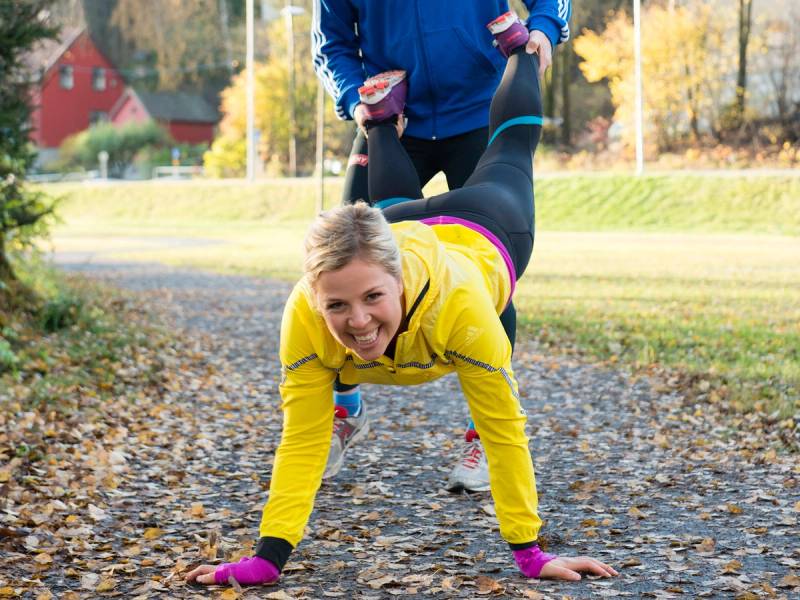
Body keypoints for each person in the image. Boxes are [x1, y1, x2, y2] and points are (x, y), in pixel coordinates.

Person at [187, 13, 618, 588]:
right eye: (336, 306)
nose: (358, 322)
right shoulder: (304, 316)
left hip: (486, 224)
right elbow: (302, 439)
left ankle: (516, 49)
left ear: (398, 281)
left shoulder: (462, 310)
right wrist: (268, 558)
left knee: (512, 146)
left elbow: (503, 428)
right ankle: (381, 122)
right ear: (313, 296)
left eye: (372, 298)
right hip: (398, 225)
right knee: (385, 212)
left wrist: (530, 554)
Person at [313, 0, 573, 493]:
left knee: (488, 275)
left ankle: (485, 434)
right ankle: (345, 410)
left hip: (478, 112)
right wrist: (356, 100)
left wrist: (543, 28)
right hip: (392, 119)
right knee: (342, 266)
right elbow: (332, 45)